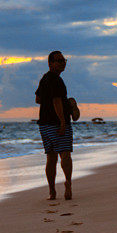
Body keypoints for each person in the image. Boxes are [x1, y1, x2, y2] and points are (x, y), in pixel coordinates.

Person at [35, 50, 79, 200]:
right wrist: (62, 121)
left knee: (51, 158)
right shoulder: (57, 80)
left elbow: (38, 99)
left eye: (63, 60)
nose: (62, 63)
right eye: (58, 60)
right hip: (58, 123)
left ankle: (52, 191)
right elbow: (56, 101)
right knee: (65, 154)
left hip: (44, 124)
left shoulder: (44, 79)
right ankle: (67, 183)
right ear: (50, 63)